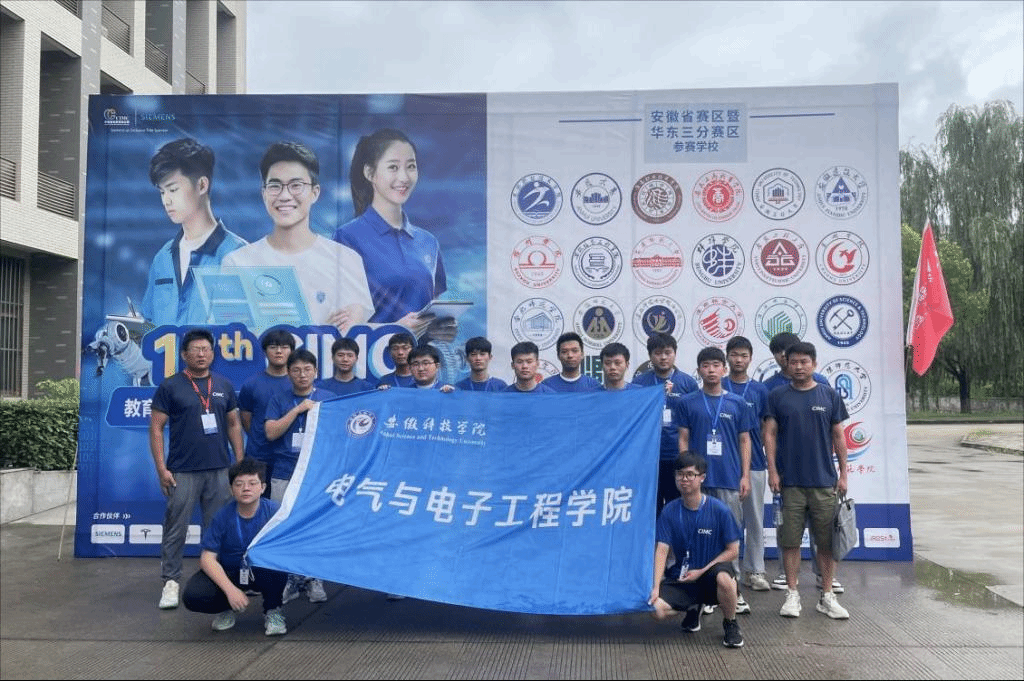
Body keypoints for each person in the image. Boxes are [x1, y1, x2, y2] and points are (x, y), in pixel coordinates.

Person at [221, 141, 373, 333]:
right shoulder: (237, 264)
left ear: (315, 193)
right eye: (275, 186)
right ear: (264, 194)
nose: (285, 196)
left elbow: (350, 337)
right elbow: (235, 337)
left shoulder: (346, 260)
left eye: (296, 185)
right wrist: (318, 332)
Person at [149, 328, 245, 610]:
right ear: (184, 354)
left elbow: (234, 424)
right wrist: (161, 469)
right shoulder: (170, 386)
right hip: (182, 470)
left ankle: (216, 580)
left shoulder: (224, 385)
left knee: (216, 529)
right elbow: (156, 428)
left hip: (220, 470)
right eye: (195, 350)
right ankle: (171, 582)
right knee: (176, 527)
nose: (201, 354)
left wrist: (239, 463)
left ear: (212, 354)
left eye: (206, 350)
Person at [333, 128, 450, 338]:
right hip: (374, 357)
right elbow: (342, 328)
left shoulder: (428, 242)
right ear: (370, 173)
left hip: (422, 358)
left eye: (411, 166)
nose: (404, 177)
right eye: (393, 167)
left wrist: (442, 329)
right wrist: (396, 329)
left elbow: (432, 311)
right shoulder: (347, 237)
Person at [763, 341, 851, 620]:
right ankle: (792, 594)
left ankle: (827, 596)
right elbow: (769, 435)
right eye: (794, 362)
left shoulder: (829, 395)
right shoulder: (777, 396)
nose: (799, 367)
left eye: (804, 362)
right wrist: (772, 471)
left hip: (824, 482)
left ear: (814, 364)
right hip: (790, 484)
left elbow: (839, 436)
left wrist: (844, 473)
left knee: (826, 543)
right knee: (790, 542)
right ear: (786, 364)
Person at [675, 346, 755, 615]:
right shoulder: (687, 402)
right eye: (706, 365)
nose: (711, 370)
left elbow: (745, 441)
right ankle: (704, 593)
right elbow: (683, 438)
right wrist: (686, 473)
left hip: (728, 479)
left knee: (730, 537)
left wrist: (745, 475)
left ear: (724, 369)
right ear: (699, 370)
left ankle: (734, 590)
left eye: (716, 365)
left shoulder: (737, 403)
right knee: (696, 536)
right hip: (698, 481)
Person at [142, 138, 246, 327]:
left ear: (202, 185)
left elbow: (247, 334)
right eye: (162, 192)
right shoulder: (163, 258)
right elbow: (148, 324)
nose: (166, 201)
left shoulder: (239, 255)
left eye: (173, 189)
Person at [181, 458, 289, 636]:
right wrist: (230, 591)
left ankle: (273, 610)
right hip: (231, 572)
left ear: (262, 488)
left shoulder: (276, 513)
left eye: (252, 483)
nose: (246, 488)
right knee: (193, 596)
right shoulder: (222, 516)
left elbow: (289, 547)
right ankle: (227, 607)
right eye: (239, 484)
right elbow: (207, 558)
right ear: (231, 490)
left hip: (264, 570)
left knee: (277, 565)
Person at [648, 452, 744, 649]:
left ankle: (731, 623)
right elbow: (662, 551)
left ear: (702, 477)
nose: (684, 479)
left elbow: (733, 551)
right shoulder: (669, 511)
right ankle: (692, 607)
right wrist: (656, 586)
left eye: (690, 474)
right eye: (680, 474)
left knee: (725, 580)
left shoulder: (719, 510)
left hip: (710, 575)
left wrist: (701, 571)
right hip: (683, 577)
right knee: (655, 609)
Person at [263, 349, 336, 604]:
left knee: (315, 526)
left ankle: (314, 578)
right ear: (288, 373)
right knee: (284, 526)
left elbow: (338, 436)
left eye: (307, 370)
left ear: (316, 372)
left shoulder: (328, 398)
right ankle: (291, 580)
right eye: (296, 370)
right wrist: (297, 410)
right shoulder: (279, 399)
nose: (302, 375)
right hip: (284, 471)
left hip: (317, 474)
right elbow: (271, 432)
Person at [722, 336, 772, 592]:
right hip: (723, 466)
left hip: (754, 464)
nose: (738, 360)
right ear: (727, 357)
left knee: (754, 520)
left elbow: (766, 428)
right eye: (734, 355)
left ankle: (755, 571)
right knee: (727, 522)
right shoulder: (718, 385)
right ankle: (729, 572)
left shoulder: (759, 390)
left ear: (750, 358)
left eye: (743, 355)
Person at [632, 332, 699, 511]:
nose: (663, 357)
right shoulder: (640, 383)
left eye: (667, 352)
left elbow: (694, 420)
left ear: (675, 353)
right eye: (658, 353)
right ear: (650, 356)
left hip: (678, 455)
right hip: (649, 457)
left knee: (676, 505)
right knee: (650, 507)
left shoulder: (688, 383)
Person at [238, 328, 294, 497]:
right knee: (256, 504)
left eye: (284, 347)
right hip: (259, 456)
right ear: (264, 351)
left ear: (292, 351)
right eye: (273, 347)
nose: (279, 351)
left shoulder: (299, 383)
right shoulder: (251, 384)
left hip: (289, 459)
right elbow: (246, 420)